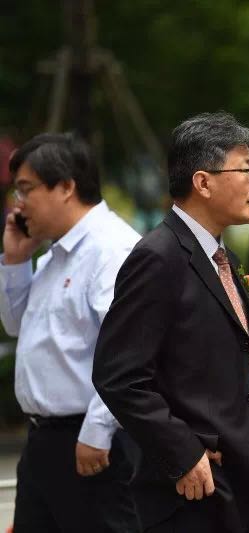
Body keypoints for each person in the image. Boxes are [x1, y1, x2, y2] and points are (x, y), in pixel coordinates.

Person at [93, 112, 249, 533]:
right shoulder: (158, 258)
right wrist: (183, 453)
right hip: (199, 492)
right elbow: (120, 376)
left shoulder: (224, 259)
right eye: (246, 169)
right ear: (203, 183)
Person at [0, 133, 140, 531]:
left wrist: (97, 430)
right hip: (43, 441)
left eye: (26, 189)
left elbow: (130, 352)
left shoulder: (111, 250)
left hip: (94, 442)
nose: (17, 204)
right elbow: (16, 325)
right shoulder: (55, 254)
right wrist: (15, 261)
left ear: (65, 187)